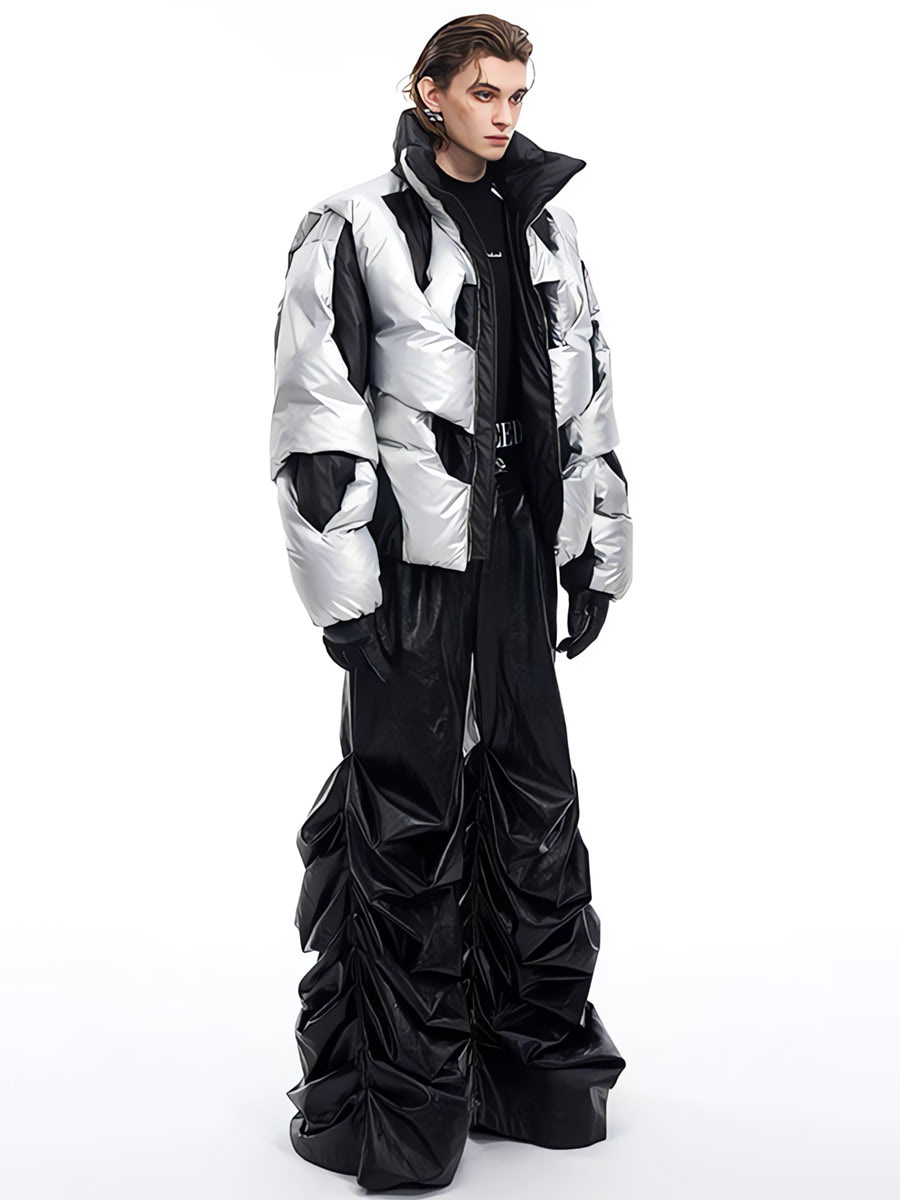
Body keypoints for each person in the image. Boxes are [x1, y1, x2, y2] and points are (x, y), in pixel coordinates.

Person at [269, 14, 633, 1191]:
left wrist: (595, 551)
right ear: (428, 91)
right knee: (407, 809)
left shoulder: (548, 227)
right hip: (414, 560)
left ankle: (527, 1065)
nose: (505, 114)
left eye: (517, 95)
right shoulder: (353, 227)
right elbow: (316, 413)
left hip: (517, 546)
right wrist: (344, 592)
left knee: (534, 798)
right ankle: (400, 1101)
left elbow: (588, 394)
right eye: (483, 92)